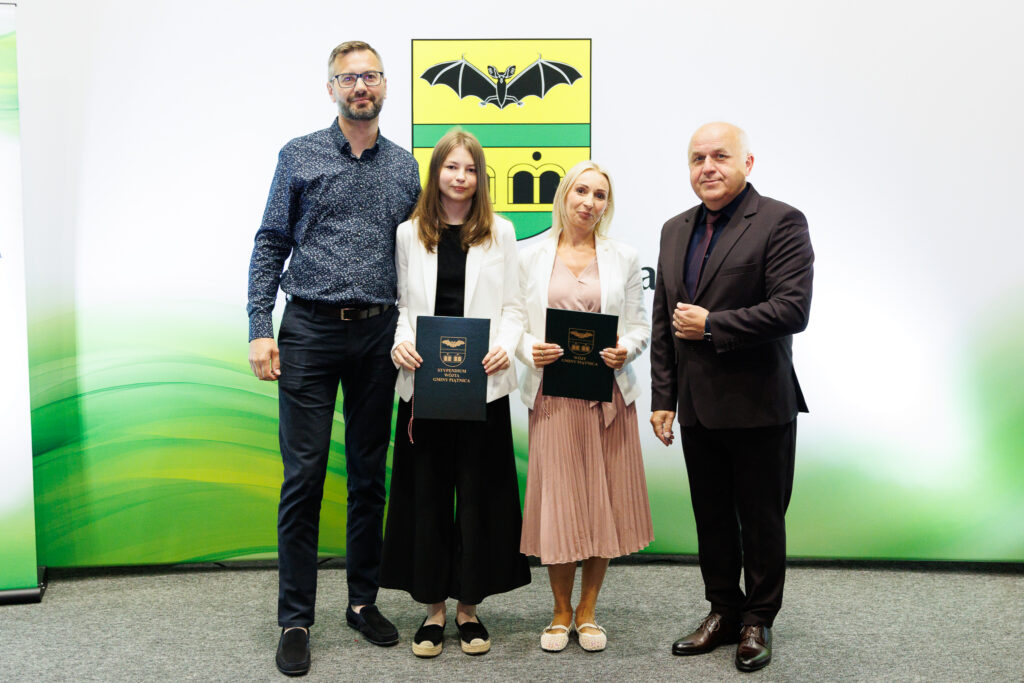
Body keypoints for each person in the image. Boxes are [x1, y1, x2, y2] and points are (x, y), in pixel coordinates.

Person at [246, 41, 420, 676]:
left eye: (370, 76)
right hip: (310, 332)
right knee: (305, 476)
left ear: (384, 85)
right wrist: (259, 327)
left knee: (370, 476)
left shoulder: (405, 167)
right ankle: (295, 618)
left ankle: (362, 601)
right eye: (348, 79)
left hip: (378, 335)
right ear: (331, 89)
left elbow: (419, 257)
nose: (360, 87)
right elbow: (270, 241)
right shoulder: (299, 154)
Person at [649, 122, 814, 673]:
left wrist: (714, 325)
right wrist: (664, 397)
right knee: (712, 518)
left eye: (720, 156)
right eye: (697, 158)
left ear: (748, 163)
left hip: (758, 403)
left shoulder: (781, 221)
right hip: (697, 407)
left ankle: (757, 620)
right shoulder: (674, 229)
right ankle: (723, 610)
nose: (708, 167)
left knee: (761, 522)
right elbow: (664, 321)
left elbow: (792, 309)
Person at [380, 129, 531, 658]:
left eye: (470, 169)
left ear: (480, 177)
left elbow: (514, 307)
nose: (460, 177)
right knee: (426, 496)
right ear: (436, 172)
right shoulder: (408, 233)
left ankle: (468, 609)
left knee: (478, 495)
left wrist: (505, 347)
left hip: (482, 386)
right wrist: (400, 342)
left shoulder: (501, 232)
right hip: (424, 385)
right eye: (451, 167)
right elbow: (402, 306)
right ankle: (433, 612)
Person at [516, 161, 653, 653]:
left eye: (599, 195)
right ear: (564, 195)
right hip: (552, 396)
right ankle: (559, 612)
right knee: (558, 504)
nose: (589, 202)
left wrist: (626, 349)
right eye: (581, 191)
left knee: (603, 504)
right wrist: (528, 348)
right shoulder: (528, 256)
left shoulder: (624, 256)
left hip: (607, 398)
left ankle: (588, 612)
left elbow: (639, 326)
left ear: (606, 205)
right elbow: (513, 322)